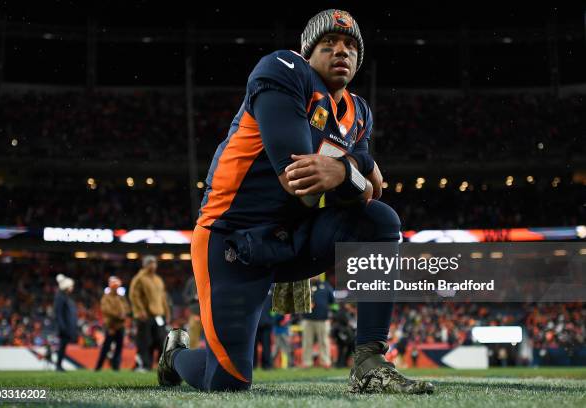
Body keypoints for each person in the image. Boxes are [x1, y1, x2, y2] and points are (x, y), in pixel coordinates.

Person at [157, 9, 433, 394]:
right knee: (227, 380)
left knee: (379, 221)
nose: (342, 51)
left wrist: (353, 165)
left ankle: (369, 361)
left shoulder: (359, 111)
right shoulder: (283, 69)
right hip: (236, 239)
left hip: (296, 235)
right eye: (329, 44)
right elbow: (300, 183)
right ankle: (174, 356)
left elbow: (370, 191)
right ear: (307, 51)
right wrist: (356, 168)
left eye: (351, 46)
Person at [129, 255, 170, 371]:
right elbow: (134, 296)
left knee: (161, 340)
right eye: (150, 263)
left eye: (154, 263)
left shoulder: (158, 279)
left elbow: (163, 298)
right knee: (144, 341)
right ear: (145, 265)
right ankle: (143, 365)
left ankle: (160, 365)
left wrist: (166, 313)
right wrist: (140, 311)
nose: (153, 265)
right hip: (145, 316)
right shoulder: (139, 278)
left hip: (159, 315)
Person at [95, 276, 130, 371]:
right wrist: (119, 315)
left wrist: (124, 313)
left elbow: (127, 308)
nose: (116, 288)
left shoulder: (121, 297)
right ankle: (98, 367)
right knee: (106, 348)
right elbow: (106, 311)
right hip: (111, 326)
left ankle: (116, 367)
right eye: (115, 286)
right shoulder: (106, 298)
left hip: (120, 326)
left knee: (119, 348)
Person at [301, 275, 335, 368]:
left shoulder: (326, 286)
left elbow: (332, 301)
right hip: (307, 319)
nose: (314, 276)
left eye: (317, 274)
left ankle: (326, 362)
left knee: (324, 342)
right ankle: (306, 362)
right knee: (307, 342)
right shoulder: (305, 286)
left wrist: (331, 315)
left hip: (323, 319)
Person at [54, 274, 78, 372]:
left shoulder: (64, 296)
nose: (72, 288)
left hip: (66, 326)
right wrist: (62, 326)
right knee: (62, 346)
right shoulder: (60, 296)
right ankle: (58, 366)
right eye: (71, 286)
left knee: (63, 347)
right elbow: (58, 312)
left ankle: (59, 365)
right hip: (64, 327)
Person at [253, 291, 273, 370]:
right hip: (254, 323)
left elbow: (274, 305)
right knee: (253, 346)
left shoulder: (271, 288)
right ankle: (253, 365)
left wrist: (272, 320)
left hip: (266, 323)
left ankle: (267, 365)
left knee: (266, 346)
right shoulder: (253, 286)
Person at [182, 275, 203, 349]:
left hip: (208, 313)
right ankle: (194, 356)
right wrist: (194, 297)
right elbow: (185, 297)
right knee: (194, 338)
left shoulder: (208, 278)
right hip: (195, 313)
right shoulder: (191, 281)